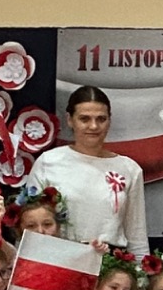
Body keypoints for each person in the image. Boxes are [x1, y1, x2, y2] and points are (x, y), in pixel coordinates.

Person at [25, 85, 149, 257]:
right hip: (61, 259)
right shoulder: (48, 162)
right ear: (70, 120)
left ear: (109, 120)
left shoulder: (129, 169)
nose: (93, 126)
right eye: (84, 119)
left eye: (101, 119)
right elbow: (28, 224)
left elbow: (136, 236)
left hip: (112, 265)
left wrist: (141, 270)